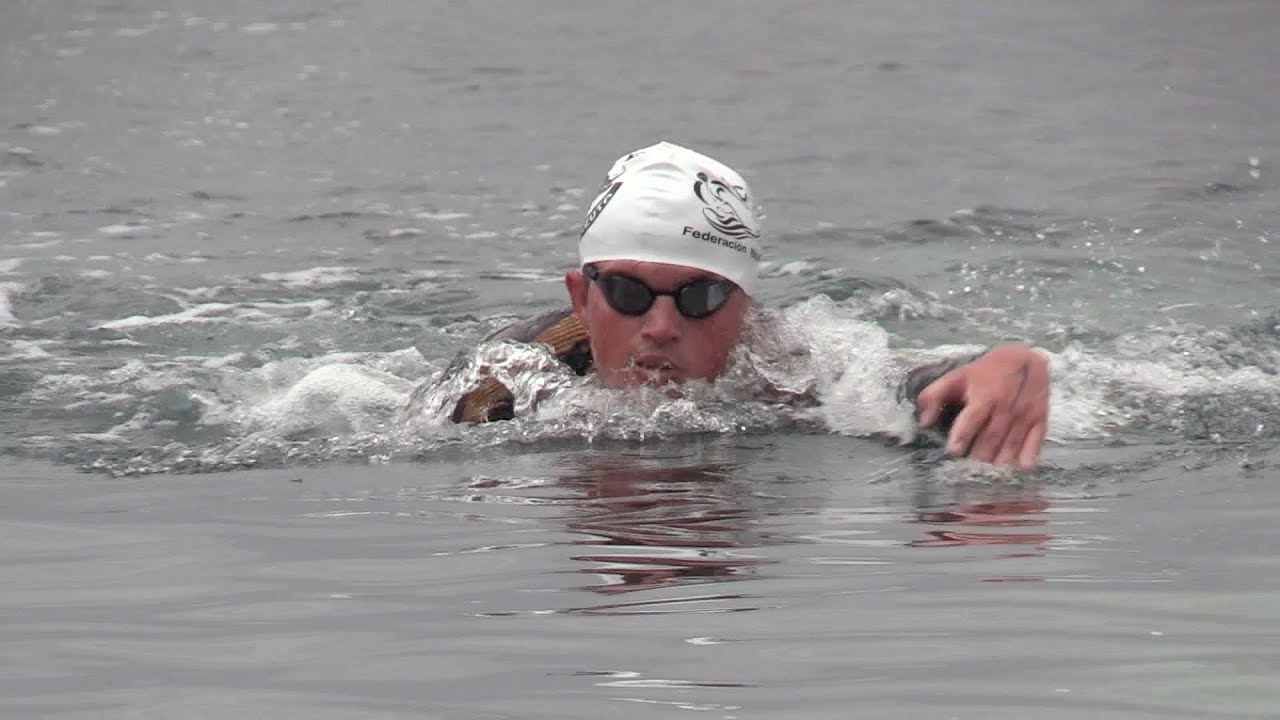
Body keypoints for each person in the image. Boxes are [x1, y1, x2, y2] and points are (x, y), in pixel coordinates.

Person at [442, 141, 1050, 469]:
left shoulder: (784, 367)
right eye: (627, 293)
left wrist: (1000, 365)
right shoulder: (505, 381)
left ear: (744, 306)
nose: (661, 327)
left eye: (700, 297)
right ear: (582, 295)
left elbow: (901, 386)